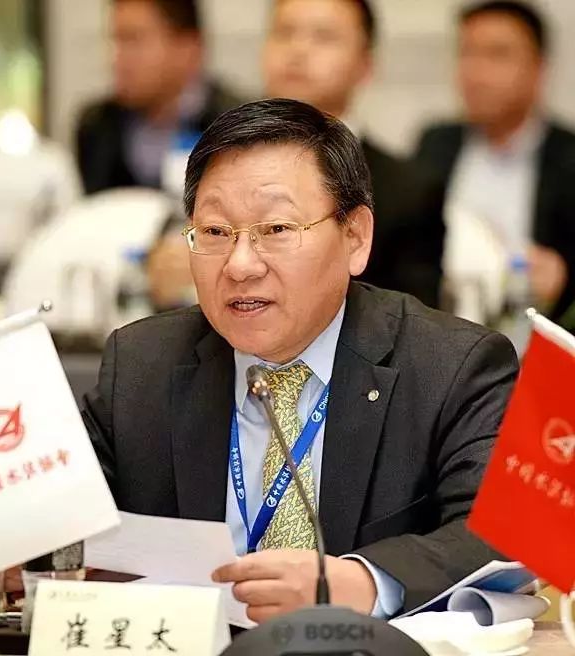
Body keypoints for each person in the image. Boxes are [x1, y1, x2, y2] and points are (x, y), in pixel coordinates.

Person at [83, 99, 517, 622]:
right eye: (215, 233)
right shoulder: (141, 365)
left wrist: (364, 582)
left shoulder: (453, 367)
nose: (241, 265)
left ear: (355, 237)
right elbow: (63, 519)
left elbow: (505, 534)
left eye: (276, 230)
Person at [262, 0, 446, 307]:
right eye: (285, 32)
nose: (298, 50)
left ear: (365, 65)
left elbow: (414, 321)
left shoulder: (408, 190)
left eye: (323, 37)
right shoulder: (221, 165)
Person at [415, 0, 575, 325]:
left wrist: (564, 279)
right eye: (467, 53)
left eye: (497, 55)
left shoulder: (568, 157)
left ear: (539, 69)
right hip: (443, 327)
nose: (476, 73)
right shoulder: (435, 144)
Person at [76, 0, 243, 195]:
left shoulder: (238, 127)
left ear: (189, 47)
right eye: (115, 40)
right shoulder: (96, 127)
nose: (116, 58)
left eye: (133, 40)